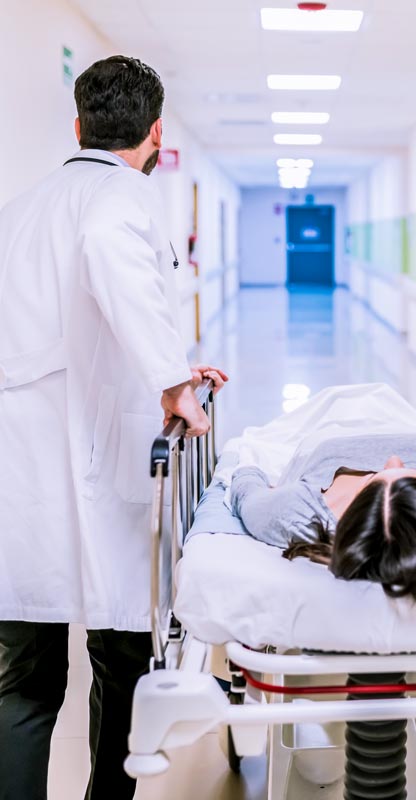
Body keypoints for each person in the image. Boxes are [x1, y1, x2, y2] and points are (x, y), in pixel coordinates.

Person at [0, 56, 227, 800]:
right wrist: (174, 384)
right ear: (156, 132)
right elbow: (111, 264)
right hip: (97, 456)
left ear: (78, 125)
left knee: (24, 678)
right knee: (122, 658)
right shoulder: (123, 196)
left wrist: (174, 370)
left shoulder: (22, 208)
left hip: (22, 466)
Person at [230, 434, 416, 599]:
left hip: (323, 432)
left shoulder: (294, 514)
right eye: (413, 475)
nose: (393, 459)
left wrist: (245, 453)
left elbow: (246, 479)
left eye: (374, 478)